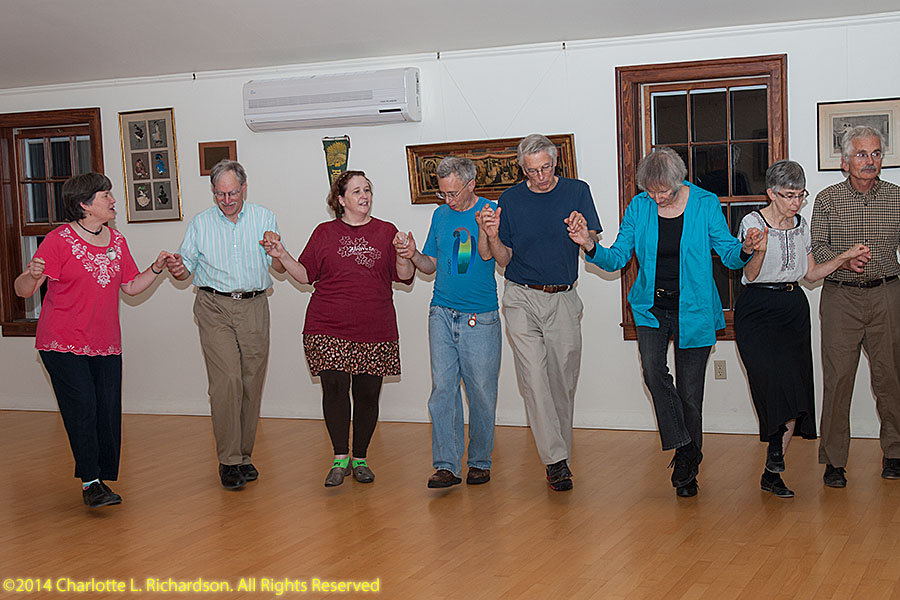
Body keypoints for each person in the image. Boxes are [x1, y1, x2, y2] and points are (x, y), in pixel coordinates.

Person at [568, 147, 764, 497]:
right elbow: (617, 258)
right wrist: (589, 244)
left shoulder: (704, 204)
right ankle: (686, 447)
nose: (657, 198)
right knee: (653, 372)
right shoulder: (639, 207)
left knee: (690, 393)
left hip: (695, 309)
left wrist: (746, 248)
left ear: (679, 181)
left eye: (664, 192)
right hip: (651, 308)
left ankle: (688, 470)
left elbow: (729, 256)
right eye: (651, 191)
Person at [14, 173, 171, 508]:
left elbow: (131, 287)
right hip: (61, 342)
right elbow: (23, 290)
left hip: (105, 342)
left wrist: (157, 268)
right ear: (84, 204)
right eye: (105, 195)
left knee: (106, 410)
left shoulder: (117, 241)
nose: (112, 200)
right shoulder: (58, 240)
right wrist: (32, 275)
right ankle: (91, 482)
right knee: (83, 407)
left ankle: (100, 476)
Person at [261, 170, 414, 487]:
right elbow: (305, 275)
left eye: (367, 189)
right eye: (356, 191)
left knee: (367, 394)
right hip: (326, 325)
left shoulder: (386, 231)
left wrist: (403, 254)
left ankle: (361, 458)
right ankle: (340, 457)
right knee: (334, 388)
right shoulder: (324, 233)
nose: (364, 196)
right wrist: (281, 255)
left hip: (375, 326)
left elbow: (404, 275)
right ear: (341, 200)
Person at [734, 160, 869, 498]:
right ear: (771, 193)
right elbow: (749, 274)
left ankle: (772, 469)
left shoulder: (801, 225)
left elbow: (810, 274)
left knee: (795, 387)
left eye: (800, 195)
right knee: (770, 383)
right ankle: (774, 450)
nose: (796, 202)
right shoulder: (752, 223)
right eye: (789, 195)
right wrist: (757, 249)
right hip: (757, 309)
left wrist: (843, 257)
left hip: (792, 308)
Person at [477, 133, 601, 491]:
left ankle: (560, 455)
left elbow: (592, 241)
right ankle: (556, 462)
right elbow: (502, 259)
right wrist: (492, 235)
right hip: (521, 297)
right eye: (532, 171)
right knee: (533, 378)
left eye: (545, 168)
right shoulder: (511, 200)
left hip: (562, 298)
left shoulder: (577, 191)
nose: (541, 176)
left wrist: (584, 235)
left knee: (562, 382)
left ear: (556, 161)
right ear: (522, 169)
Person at [165, 160, 280, 490]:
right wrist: (178, 269)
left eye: (232, 193)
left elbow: (279, 267)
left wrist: (277, 252)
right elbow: (185, 269)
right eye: (220, 194)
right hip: (213, 305)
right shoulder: (201, 223)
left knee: (250, 381)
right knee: (227, 380)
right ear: (213, 192)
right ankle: (228, 460)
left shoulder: (263, 217)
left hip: (254, 305)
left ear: (244, 188)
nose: (226, 200)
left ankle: (244, 455)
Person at [393, 157, 500, 488]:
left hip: (480, 317)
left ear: (471, 185)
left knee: (481, 392)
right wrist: (412, 254)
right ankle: (447, 466)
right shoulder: (440, 215)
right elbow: (430, 265)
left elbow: (496, 256)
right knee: (442, 390)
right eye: (443, 193)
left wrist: (488, 231)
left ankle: (479, 461)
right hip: (441, 313)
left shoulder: (490, 212)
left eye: (453, 193)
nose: (448, 200)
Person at [811, 125, 900, 488]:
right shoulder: (827, 199)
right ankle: (834, 462)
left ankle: (895, 453)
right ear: (845, 161)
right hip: (840, 298)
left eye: (876, 153)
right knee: (838, 380)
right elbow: (818, 248)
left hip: (886, 295)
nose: (870, 161)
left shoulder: (896, 197)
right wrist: (844, 261)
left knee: (891, 378)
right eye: (862, 154)